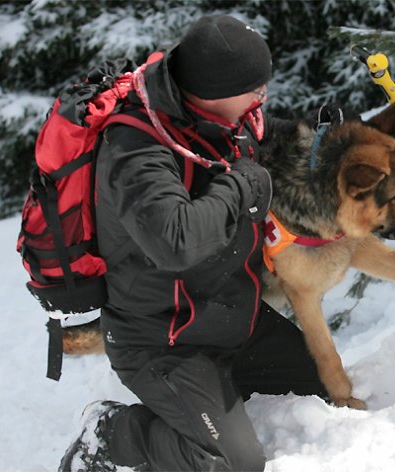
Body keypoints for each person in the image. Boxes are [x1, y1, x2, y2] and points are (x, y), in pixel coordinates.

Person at [59, 15, 326, 472]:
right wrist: (242, 187)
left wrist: (324, 138)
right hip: (163, 339)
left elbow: (255, 140)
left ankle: (214, 402)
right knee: (231, 463)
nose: (262, 98)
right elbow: (175, 242)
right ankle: (109, 435)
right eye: (255, 89)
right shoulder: (135, 150)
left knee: (325, 390)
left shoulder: (216, 112)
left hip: (231, 319)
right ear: (214, 92)